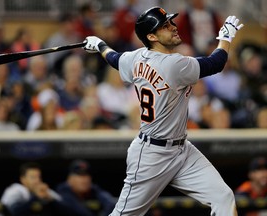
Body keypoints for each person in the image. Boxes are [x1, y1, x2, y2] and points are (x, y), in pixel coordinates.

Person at [83, 6, 243, 216]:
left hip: (182, 150)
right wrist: (226, 37)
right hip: (151, 155)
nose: (173, 27)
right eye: (165, 26)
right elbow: (216, 62)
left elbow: (114, 58)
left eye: (171, 22)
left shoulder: (136, 57)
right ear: (151, 36)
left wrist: (100, 45)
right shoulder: (173, 64)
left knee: (223, 197)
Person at [0, 162, 70, 216]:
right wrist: (36, 197)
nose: (37, 180)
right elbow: (13, 212)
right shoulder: (15, 190)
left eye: (38, 177)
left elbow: (68, 211)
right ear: (23, 179)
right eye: (33, 177)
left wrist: (50, 200)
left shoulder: (44, 191)